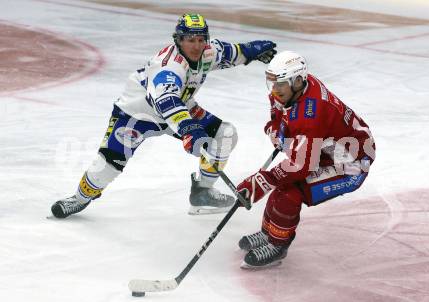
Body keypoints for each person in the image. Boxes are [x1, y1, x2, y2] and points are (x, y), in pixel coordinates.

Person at [51, 13, 277, 218]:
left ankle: (203, 192)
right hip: (137, 115)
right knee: (108, 164)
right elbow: (166, 102)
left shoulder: (208, 52)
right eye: (190, 39)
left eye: (200, 39)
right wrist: (189, 128)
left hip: (181, 109)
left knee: (225, 134)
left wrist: (252, 51)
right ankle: (80, 198)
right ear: (178, 40)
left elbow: (230, 53)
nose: (196, 46)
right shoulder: (168, 66)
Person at [236, 51, 376, 269]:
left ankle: (277, 245)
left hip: (351, 163)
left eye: (280, 84)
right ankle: (268, 232)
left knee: (288, 191)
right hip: (325, 150)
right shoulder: (296, 89)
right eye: (272, 82)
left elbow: (300, 166)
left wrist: (263, 181)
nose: (275, 89)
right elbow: (279, 111)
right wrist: (276, 127)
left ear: (298, 81)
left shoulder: (311, 113)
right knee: (283, 184)